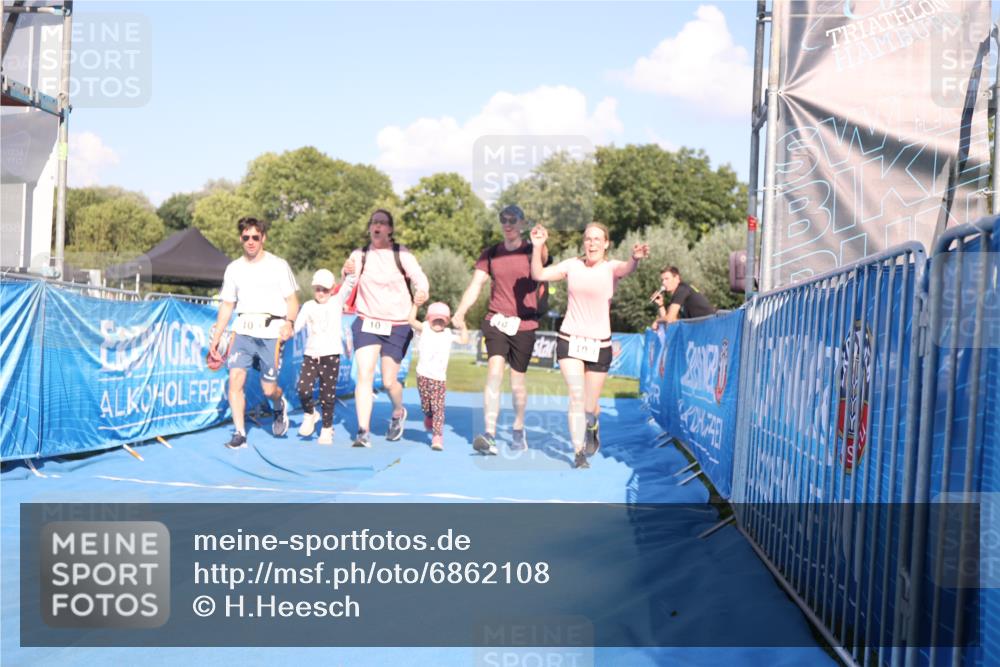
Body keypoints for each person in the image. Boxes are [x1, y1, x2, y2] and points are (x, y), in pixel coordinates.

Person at [530, 222, 649, 469]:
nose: (592, 243)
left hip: (599, 345)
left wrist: (635, 259)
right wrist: (538, 246)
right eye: (588, 239)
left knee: (588, 405)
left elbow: (628, 268)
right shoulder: (572, 265)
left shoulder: (612, 267)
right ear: (583, 242)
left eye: (597, 239)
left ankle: (592, 424)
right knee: (575, 396)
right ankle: (578, 452)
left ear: (606, 244)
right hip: (569, 340)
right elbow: (538, 274)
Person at [453, 204, 549, 455]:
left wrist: (539, 243)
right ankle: (490, 434)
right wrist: (461, 311)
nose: (507, 224)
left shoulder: (531, 251)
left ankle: (518, 429)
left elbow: (544, 260)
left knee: (517, 382)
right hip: (496, 320)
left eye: (513, 219)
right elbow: (476, 285)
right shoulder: (491, 253)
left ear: (522, 223)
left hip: (524, 324)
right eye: (503, 219)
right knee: (494, 373)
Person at [209, 217, 299, 449]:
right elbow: (227, 304)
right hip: (242, 332)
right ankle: (240, 433)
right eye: (246, 237)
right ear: (241, 239)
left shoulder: (278, 265)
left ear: (263, 238)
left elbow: (292, 300)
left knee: (269, 389)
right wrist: (218, 336)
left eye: (255, 237)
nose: (250, 241)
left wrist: (289, 322)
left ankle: (279, 405)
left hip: (271, 332)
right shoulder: (233, 268)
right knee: (235, 380)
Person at [345, 209, 429, 448]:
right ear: (370, 227)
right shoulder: (360, 254)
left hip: (397, 324)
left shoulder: (401, 254)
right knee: (365, 375)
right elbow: (349, 278)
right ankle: (363, 431)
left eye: (382, 223)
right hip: (367, 320)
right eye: (374, 223)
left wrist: (422, 291)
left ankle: (398, 411)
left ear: (390, 229)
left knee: (389, 381)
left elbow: (419, 277)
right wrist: (346, 271)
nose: (377, 226)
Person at [293, 263, 357, 445]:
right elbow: (297, 327)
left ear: (332, 290)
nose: (321, 293)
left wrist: (350, 272)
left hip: (331, 357)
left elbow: (349, 285)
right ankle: (310, 414)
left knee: (327, 396)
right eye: (318, 289)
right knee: (303, 389)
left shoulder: (336, 302)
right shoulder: (308, 306)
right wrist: (286, 331)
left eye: (325, 290)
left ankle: (327, 428)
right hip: (311, 355)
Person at [408, 301, 470, 451]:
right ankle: (428, 415)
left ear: (446, 322)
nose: (438, 323)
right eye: (435, 320)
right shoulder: (424, 329)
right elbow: (410, 320)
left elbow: (464, 340)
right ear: (429, 319)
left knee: (438, 408)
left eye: (441, 321)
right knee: (426, 405)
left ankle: (437, 436)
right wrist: (416, 305)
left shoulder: (448, 334)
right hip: (422, 374)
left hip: (439, 378)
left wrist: (463, 327)